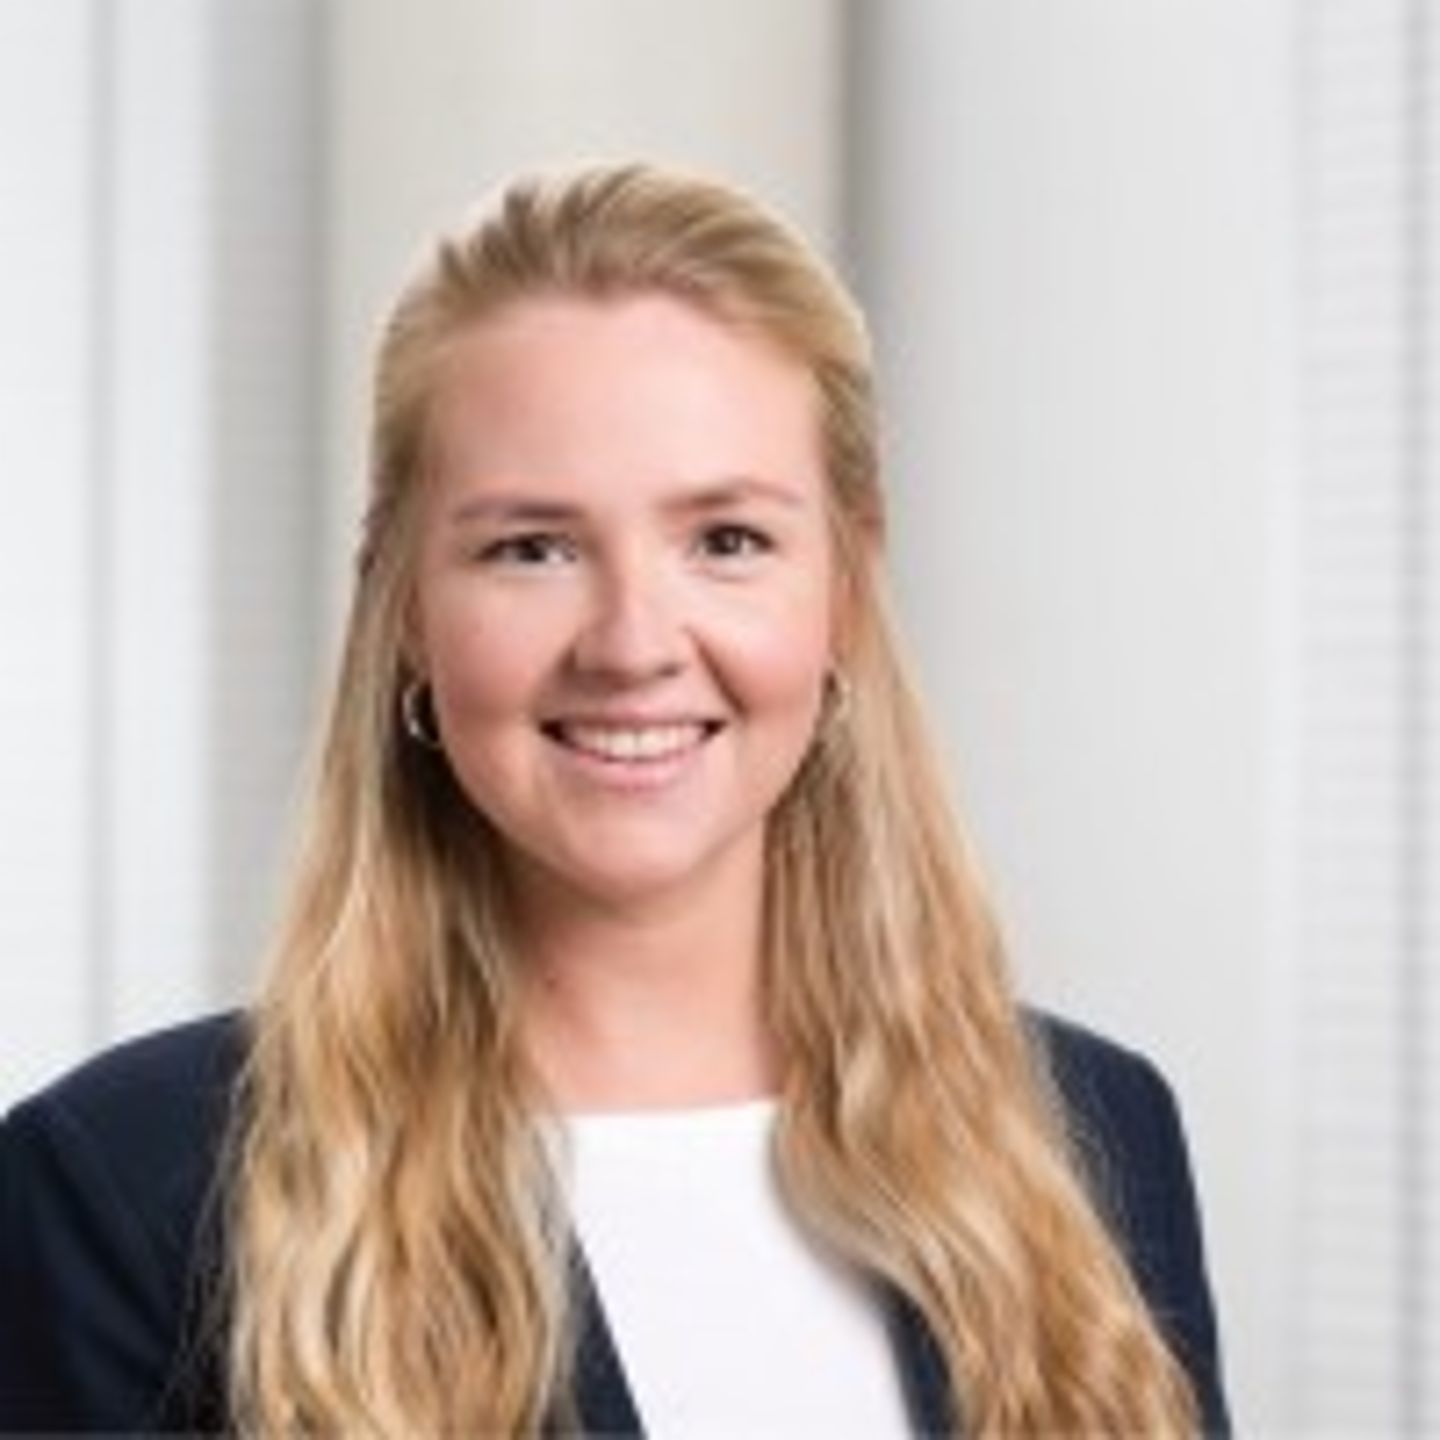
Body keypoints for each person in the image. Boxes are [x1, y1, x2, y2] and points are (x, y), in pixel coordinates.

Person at [0, 162, 1228, 1436]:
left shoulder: (1093, 1139)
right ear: (405, 608)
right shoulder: (133, 1188)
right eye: (532, 547)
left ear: (846, 593)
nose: (633, 641)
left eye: (727, 540)